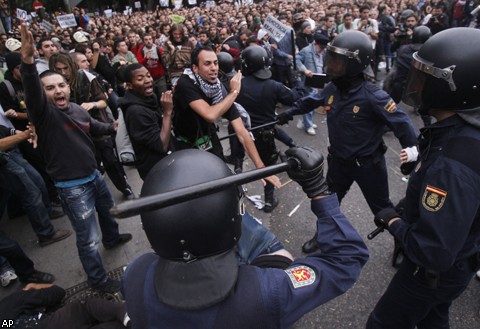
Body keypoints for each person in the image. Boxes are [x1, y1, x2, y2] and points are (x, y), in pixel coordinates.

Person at [122, 147, 369, 328]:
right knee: (282, 258)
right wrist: (318, 190)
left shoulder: (136, 272)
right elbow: (347, 258)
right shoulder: (266, 293)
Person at [366, 27, 480, 329]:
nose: (415, 82)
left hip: (431, 275)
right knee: (433, 318)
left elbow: (433, 252)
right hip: (461, 262)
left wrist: (393, 221)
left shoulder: (453, 162)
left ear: (453, 86)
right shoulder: (458, 131)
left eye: (425, 76)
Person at [277, 31, 418, 253]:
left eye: (337, 62)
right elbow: (311, 101)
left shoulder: (374, 96)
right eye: (330, 59)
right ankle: (322, 236)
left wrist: (412, 154)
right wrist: (288, 113)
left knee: (382, 210)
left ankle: (401, 243)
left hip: (369, 167)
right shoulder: (333, 88)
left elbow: (403, 124)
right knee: (326, 205)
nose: (330, 66)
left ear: (354, 65)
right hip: (339, 164)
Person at [20, 23, 132, 294]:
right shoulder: (44, 115)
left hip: (95, 176)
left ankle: (113, 238)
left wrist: (111, 128)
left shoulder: (76, 110)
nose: (57, 91)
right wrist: (27, 61)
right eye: (49, 88)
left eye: (61, 85)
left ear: (69, 87)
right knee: (88, 239)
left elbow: (92, 127)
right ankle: (98, 280)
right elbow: (33, 93)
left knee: (108, 213)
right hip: (73, 188)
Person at [172, 45, 280, 188]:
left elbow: (242, 132)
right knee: (195, 183)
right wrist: (234, 93)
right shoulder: (185, 83)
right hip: (186, 144)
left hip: (208, 137)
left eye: (215, 63)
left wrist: (261, 168)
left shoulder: (219, 88)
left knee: (220, 176)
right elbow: (210, 115)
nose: (214, 68)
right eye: (207, 63)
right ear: (195, 68)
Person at [236, 45, 299, 212]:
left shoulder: (236, 86)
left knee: (239, 162)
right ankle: (269, 200)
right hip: (265, 135)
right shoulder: (274, 85)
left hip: (242, 134)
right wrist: (295, 80)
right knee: (268, 166)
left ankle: (236, 190)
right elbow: (293, 98)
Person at [119, 63, 173, 180]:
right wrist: (167, 112)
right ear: (130, 85)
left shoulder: (149, 98)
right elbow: (161, 145)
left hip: (165, 162)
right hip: (155, 170)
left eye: (148, 76)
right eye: (140, 78)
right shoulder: (136, 111)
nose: (147, 80)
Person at [0, 283, 130, 328]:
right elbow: (57, 292)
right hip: (50, 325)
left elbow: (8, 323)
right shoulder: (8, 306)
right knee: (86, 307)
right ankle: (126, 314)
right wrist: (32, 287)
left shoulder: (6, 321)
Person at [295, 32, 329, 136]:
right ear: (315, 44)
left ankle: (308, 121)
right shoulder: (306, 51)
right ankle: (308, 125)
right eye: (321, 48)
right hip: (307, 81)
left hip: (317, 81)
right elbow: (296, 60)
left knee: (314, 103)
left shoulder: (323, 52)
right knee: (309, 103)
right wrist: (305, 70)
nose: (322, 50)